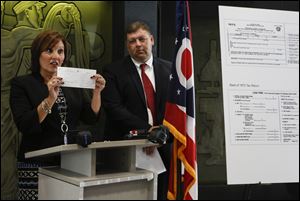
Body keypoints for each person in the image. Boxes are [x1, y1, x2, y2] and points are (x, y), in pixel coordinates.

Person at [10, 30, 106, 163]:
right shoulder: (22, 84)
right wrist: (50, 99)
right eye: (49, 51)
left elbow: (90, 117)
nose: (55, 56)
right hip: (37, 158)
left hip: (70, 157)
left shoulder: (71, 81)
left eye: (60, 51)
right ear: (37, 54)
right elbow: (25, 125)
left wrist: (97, 92)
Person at [102, 21, 172, 200]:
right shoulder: (113, 71)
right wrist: (148, 132)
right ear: (127, 45)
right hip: (127, 149)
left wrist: (161, 135)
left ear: (152, 39)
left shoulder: (170, 70)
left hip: (163, 148)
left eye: (142, 39)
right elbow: (113, 108)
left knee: (161, 195)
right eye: (132, 41)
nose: (138, 44)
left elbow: (176, 109)